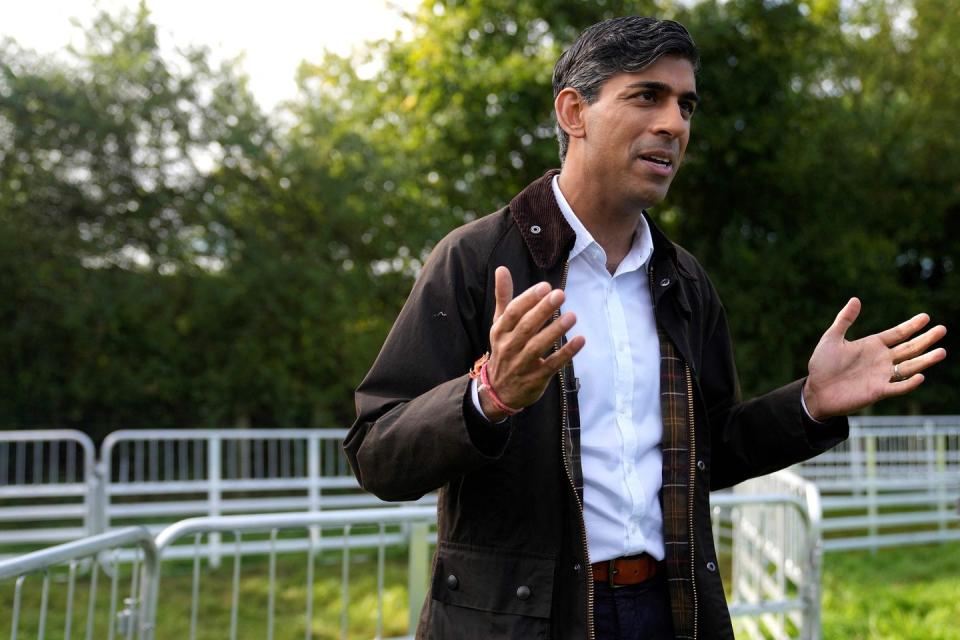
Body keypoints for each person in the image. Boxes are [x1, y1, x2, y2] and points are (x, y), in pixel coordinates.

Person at [343, 16, 947, 640]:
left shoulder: (684, 282)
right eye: (646, 96)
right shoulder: (476, 261)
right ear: (574, 112)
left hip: (669, 610)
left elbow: (713, 450)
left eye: (686, 105)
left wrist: (809, 405)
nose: (674, 124)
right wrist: (486, 398)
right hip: (522, 621)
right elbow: (376, 452)